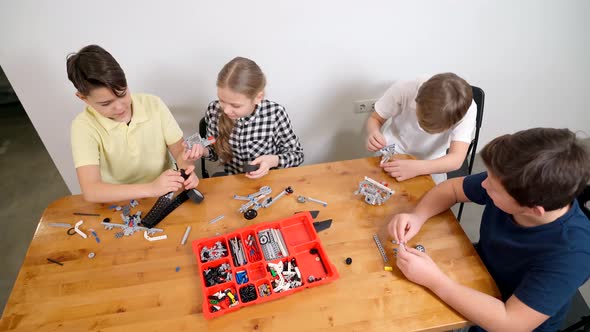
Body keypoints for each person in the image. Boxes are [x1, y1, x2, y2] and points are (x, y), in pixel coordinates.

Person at [388, 128, 590, 331]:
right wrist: (417, 216)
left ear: (533, 210)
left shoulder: (573, 254)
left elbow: (510, 323)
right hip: (479, 276)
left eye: (493, 187)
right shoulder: (511, 181)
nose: (484, 184)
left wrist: (435, 280)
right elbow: (452, 189)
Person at [68, 44, 198, 203]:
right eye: (106, 104)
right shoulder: (83, 127)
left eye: (122, 94)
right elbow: (92, 191)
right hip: (119, 201)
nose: (120, 107)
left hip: (166, 192)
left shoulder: (154, 104)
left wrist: (186, 170)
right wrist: (150, 188)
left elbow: (180, 151)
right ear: (83, 98)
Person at [183, 56, 304, 178]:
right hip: (233, 181)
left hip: (268, 182)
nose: (226, 110)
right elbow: (214, 153)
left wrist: (273, 161)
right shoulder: (214, 111)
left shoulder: (275, 113)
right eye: (221, 100)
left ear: (258, 97)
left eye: (235, 105)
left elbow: (297, 155)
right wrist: (202, 151)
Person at [366, 73, 476, 183]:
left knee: (431, 198)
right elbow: (376, 118)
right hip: (392, 151)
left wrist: (418, 168)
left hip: (433, 163)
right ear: (417, 100)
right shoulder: (404, 89)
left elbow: (456, 159)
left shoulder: (465, 110)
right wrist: (373, 132)